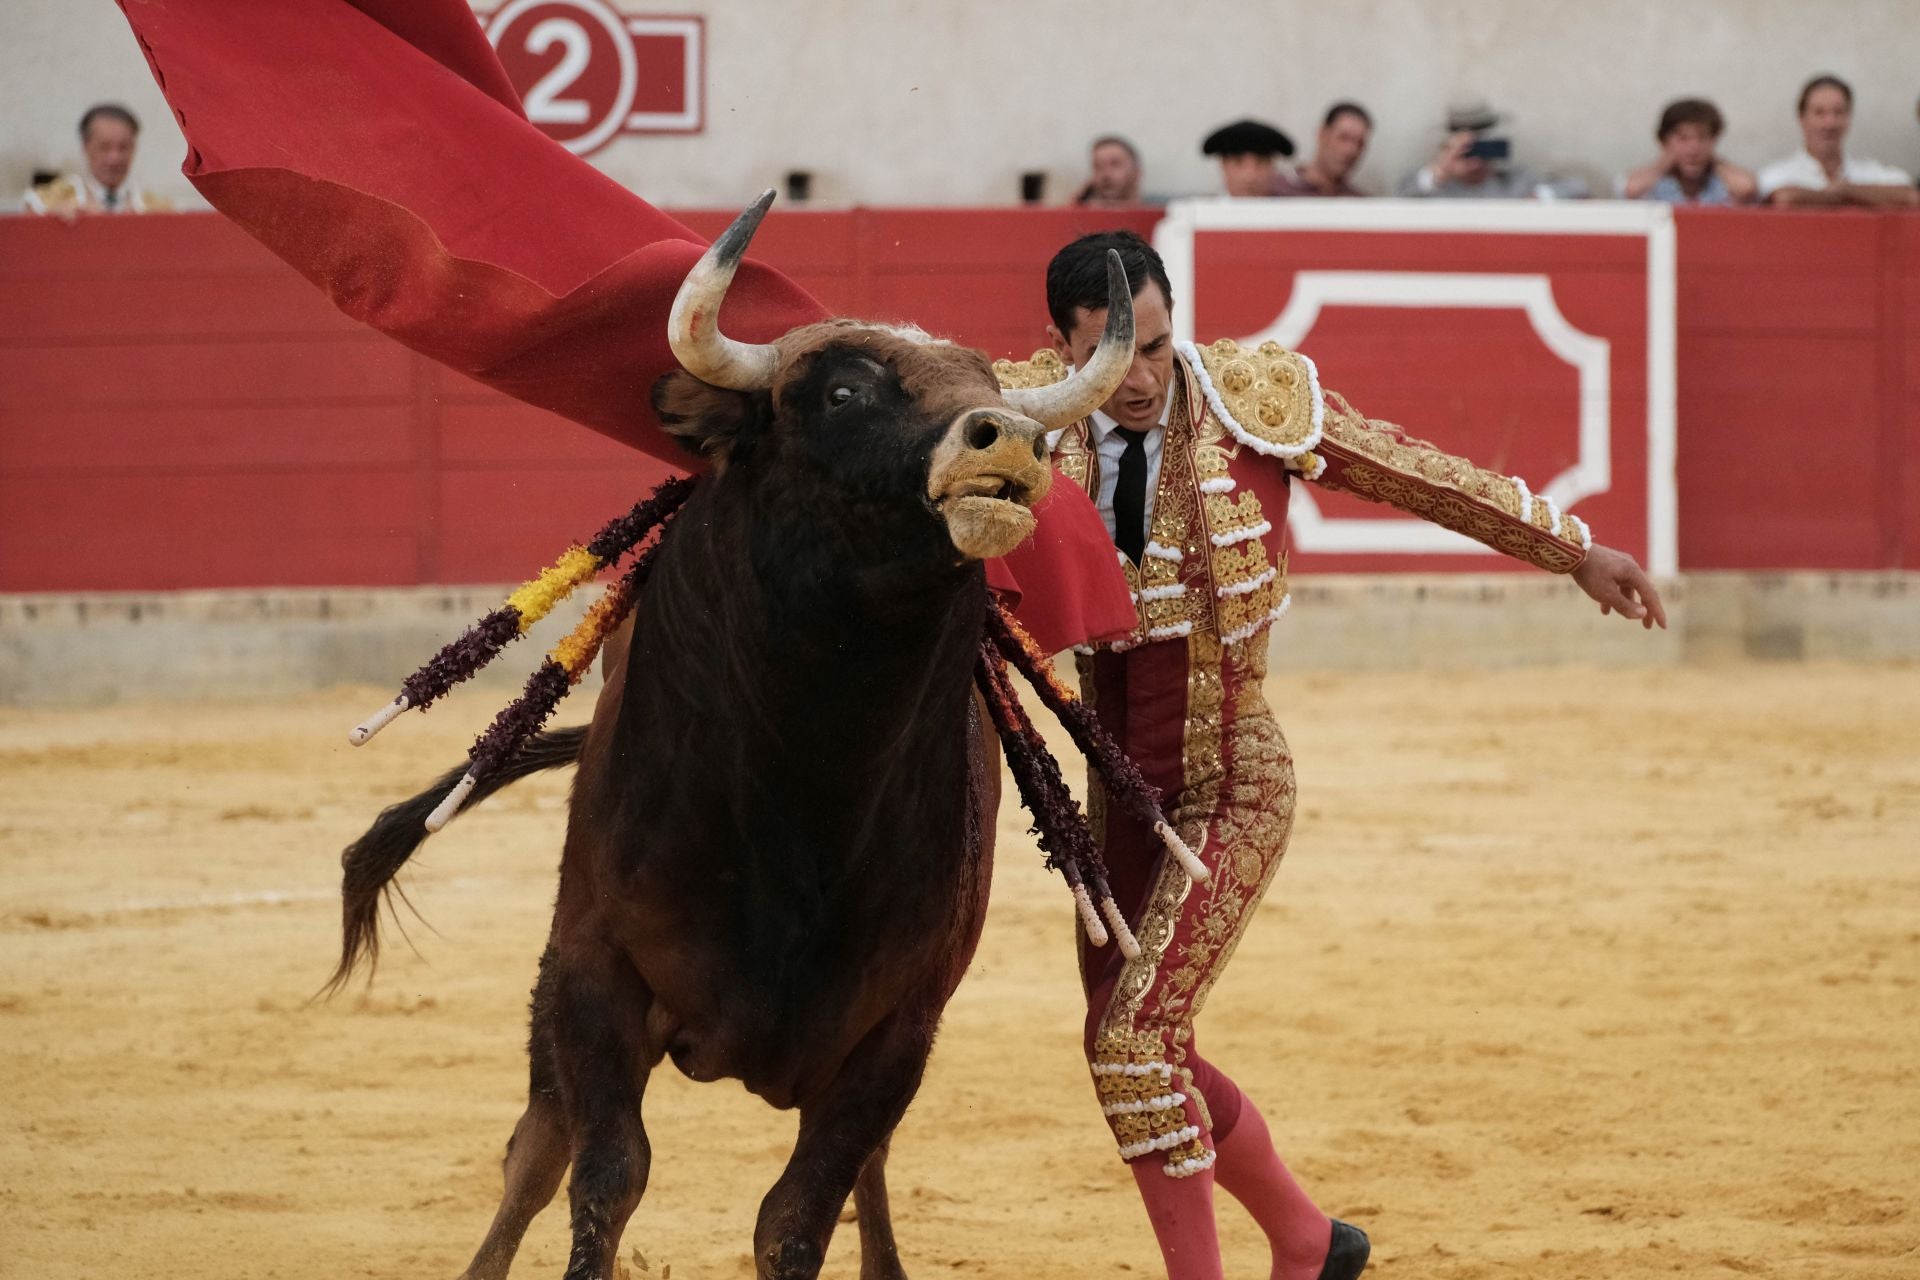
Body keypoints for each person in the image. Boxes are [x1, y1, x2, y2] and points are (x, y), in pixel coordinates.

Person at [994, 231, 1664, 1280]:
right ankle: (1308, 1240)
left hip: (1234, 783)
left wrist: (1573, 549)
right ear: (1061, 346)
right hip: (1119, 799)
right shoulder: (1025, 413)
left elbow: (1413, 472)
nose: (1139, 376)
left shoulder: (1252, 402)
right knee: (1129, 1042)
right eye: (1112, 355)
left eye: (1157, 347)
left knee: (1133, 1045)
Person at [1758, 75, 1917, 207]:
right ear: (1802, 118)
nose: (1829, 123)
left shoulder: (1869, 171)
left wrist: (1844, 190)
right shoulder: (1777, 173)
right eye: (1819, 113)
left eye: (1838, 112)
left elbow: (1910, 197)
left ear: (1849, 117)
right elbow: (1784, 199)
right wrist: (1857, 196)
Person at [1398, 100, 1575, 199]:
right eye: (1466, 148)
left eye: (1481, 144)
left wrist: (1535, 198)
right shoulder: (1432, 187)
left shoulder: (1516, 181)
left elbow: (1577, 188)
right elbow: (1401, 197)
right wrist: (1441, 171)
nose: (1474, 152)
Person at [23, 104, 171, 216]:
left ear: (134, 148)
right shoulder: (48, 202)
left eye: (123, 147)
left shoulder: (157, 210)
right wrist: (51, 224)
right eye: (104, 147)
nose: (114, 158)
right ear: (86, 147)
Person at [1620, 98, 1756, 205]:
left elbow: (1746, 187)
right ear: (1663, 141)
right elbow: (1631, 189)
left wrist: (1714, 161)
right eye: (1683, 139)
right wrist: (1664, 163)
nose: (1693, 148)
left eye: (1702, 138)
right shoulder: (1654, 181)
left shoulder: (1722, 179)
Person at [1273, 102, 1371, 197]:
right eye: (1343, 138)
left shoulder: (1361, 204)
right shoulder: (1277, 191)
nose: (1351, 150)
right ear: (1322, 134)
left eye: (1360, 143)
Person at [1202, 118, 1295, 197]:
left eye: (1261, 163)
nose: (1250, 177)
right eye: (1238, 162)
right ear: (1223, 164)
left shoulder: (1294, 212)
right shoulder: (1202, 213)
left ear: (1273, 165)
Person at [1075, 134, 1145, 206]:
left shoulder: (1156, 209)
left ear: (1136, 172)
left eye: (1115, 164)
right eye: (1098, 166)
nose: (1106, 174)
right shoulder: (1081, 211)